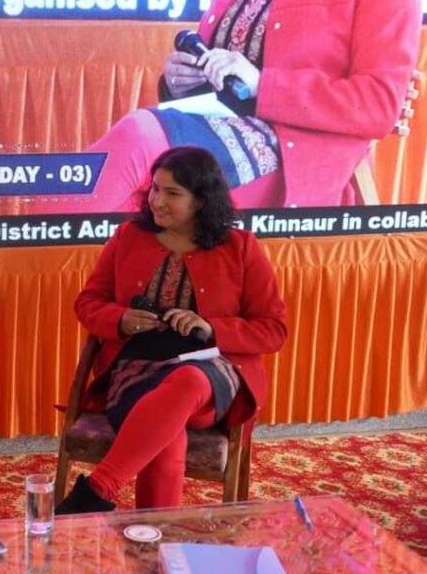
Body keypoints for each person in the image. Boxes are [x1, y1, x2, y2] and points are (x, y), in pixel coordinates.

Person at [56, 146, 286, 514]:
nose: (157, 201)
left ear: (202, 200)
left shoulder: (240, 248)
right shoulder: (129, 236)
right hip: (136, 372)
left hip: (211, 376)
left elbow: (273, 329)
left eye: (172, 193)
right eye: (155, 188)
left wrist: (211, 327)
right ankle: (157, 543)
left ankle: (98, 489)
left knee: (189, 380)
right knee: (167, 439)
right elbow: (88, 303)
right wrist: (120, 319)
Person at [35, 0, 421, 213]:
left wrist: (261, 84)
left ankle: (27, 270)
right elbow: (221, 64)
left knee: (139, 139)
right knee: (135, 202)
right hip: (214, 127)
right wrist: (180, 81)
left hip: (294, 153)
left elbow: (379, 103)